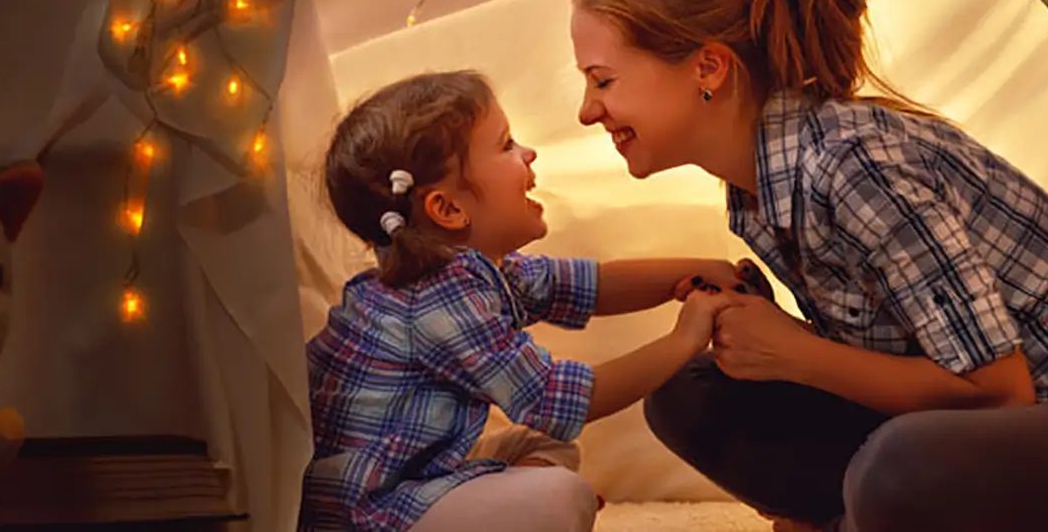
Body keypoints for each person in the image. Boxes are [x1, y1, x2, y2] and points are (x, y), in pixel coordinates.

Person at [567, 0, 1048, 532]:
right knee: (688, 391)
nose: (587, 110)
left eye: (603, 80)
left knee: (897, 464)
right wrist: (772, 341)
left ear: (707, 68)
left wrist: (796, 352)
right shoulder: (759, 186)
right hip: (983, 434)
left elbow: (998, 392)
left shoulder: (854, 166)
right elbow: (899, 359)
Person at [301, 70, 755, 532]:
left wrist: (696, 270)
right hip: (371, 511)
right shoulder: (438, 300)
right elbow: (561, 400)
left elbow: (591, 285)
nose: (529, 153)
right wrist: (684, 339)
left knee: (547, 448)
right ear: (449, 209)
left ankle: (509, 511)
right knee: (562, 493)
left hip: (416, 473)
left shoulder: (471, 272)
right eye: (506, 145)